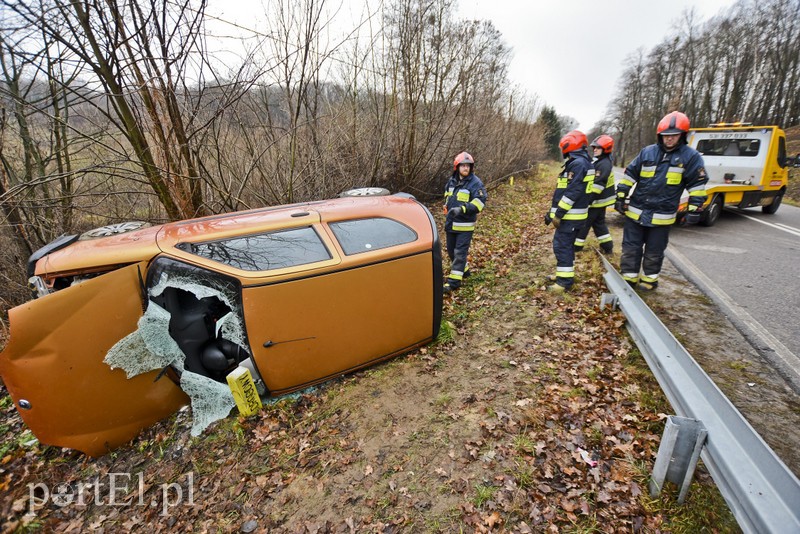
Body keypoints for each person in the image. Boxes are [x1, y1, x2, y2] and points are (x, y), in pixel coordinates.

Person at [615, 111, 708, 290]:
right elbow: (630, 175)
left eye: (674, 135)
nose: (669, 139)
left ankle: (649, 280)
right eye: (666, 136)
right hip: (636, 211)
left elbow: (697, 185)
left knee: (654, 251)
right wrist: (620, 196)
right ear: (660, 136)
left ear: (682, 135)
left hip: (662, 215)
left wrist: (694, 209)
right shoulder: (647, 153)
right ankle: (629, 278)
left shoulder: (691, 157)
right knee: (630, 248)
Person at [544, 130, 594, 292]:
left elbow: (572, 193)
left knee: (562, 246)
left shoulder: (578, 164)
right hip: (573, 215)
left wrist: (558, 214)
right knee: (566, 246)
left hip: (570, 216)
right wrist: (550, 214)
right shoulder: (580, 162)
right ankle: (564, 274)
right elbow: (563, 192)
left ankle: (564, 282)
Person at [443, 151, 487, 293]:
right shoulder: (451, 182)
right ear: (457, 167)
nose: (466, 168)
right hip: (451, 224)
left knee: (459, 253)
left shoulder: (476, 183)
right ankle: (465, 270)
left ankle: (454, 282)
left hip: (465, 226)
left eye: (468, 166)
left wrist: (462, 209)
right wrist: (446, 206)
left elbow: (479, 203)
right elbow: (447, 197)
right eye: (463, 166)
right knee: (451, 251)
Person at [574, 134, 616, 254]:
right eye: (594, 148)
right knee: (599, 224)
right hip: (599, 201)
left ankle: (576, 246)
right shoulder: (602, 161)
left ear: (605, 149)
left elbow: (597, 186)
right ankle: (607, 246)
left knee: (585, 223)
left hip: (597, 201)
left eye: (597, 148)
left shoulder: (604, 164)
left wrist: (587, 201)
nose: (595, 150)